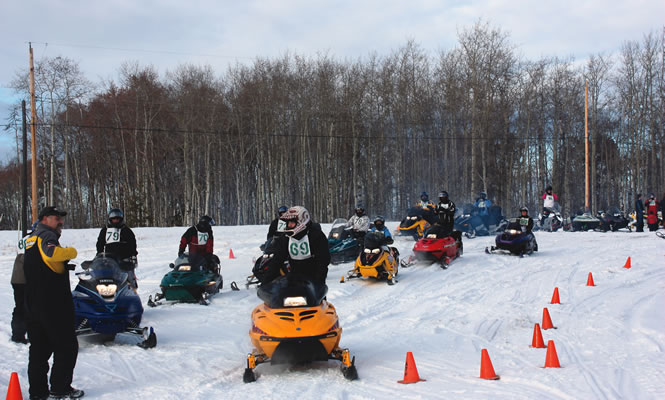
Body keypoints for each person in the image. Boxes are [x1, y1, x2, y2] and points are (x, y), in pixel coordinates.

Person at [24, 206, 83, 399]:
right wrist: (70, 252)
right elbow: (52, 254)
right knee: (66, 346)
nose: (61, 222)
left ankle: (38, 393)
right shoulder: (46, 236)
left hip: (33, 303)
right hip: (54, 304)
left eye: (61, 219)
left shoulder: (30, 239)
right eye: (56, 218)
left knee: (39, 350)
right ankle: (60, 388)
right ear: (45, 219)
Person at [256, 206, 330, 285]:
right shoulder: (286, 238)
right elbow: (276, 260)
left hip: (315, 278)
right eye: (288, 223)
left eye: (292, 222)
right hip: (295, 276)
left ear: (301, 221)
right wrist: (266, 282)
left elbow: (324, 260)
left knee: (319, 296)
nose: (289, 225)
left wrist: (319, 282)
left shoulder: (316, 236)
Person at [95, 208, 138, 288]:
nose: (115, 221)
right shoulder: (105, 230)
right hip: (110, 261)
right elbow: (100, 243)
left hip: (125, 261)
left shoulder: (126, 230)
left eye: (117, 219)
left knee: (130, 282)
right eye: (114, 219)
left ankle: (132, 296)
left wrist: (133, 256)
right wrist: (99, 255)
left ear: (121, 219)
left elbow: (133, 244)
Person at [10, 222, 37, 344]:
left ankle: (17, 334)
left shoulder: (24, 239)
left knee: (20, 306)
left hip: (17, 277)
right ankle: (28, 334)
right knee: (29, 307)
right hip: (26, 277)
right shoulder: (35, 239)